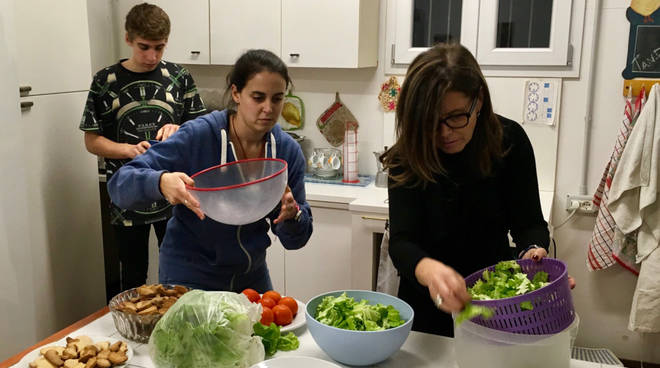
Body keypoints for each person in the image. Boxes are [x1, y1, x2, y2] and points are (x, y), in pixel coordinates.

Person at [381, 43, 555, 337]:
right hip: (426, 307)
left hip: (493, 302)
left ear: (479, 101)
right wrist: (429, 270)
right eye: (430, 122)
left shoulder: (509, 142)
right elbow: (402, 242)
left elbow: (529, 224)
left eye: (456, 116)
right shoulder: (406, 156)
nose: (444, 132)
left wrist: (532, 251)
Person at [107, 49, 313, 292]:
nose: (268, 108)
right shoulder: (198, 136)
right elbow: (120, 186)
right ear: (236, 93)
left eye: (277, 98)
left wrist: (293, 216)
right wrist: (160, 181)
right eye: (258, 97)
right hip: (190, 277)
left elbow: (296, 240)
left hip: (251, 279)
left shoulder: (287, 152)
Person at [80, 3, 206, 293]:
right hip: (127, 196)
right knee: (132, 277)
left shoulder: (179, 77)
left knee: (180, 273)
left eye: (159, 48)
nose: (152, 56)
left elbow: (202, 131)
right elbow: (91, 141)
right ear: (128, 39)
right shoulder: (104, 81)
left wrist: (181, 129)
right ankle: (131, 335)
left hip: (176, 195)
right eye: (144, 47)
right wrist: (128, 150)